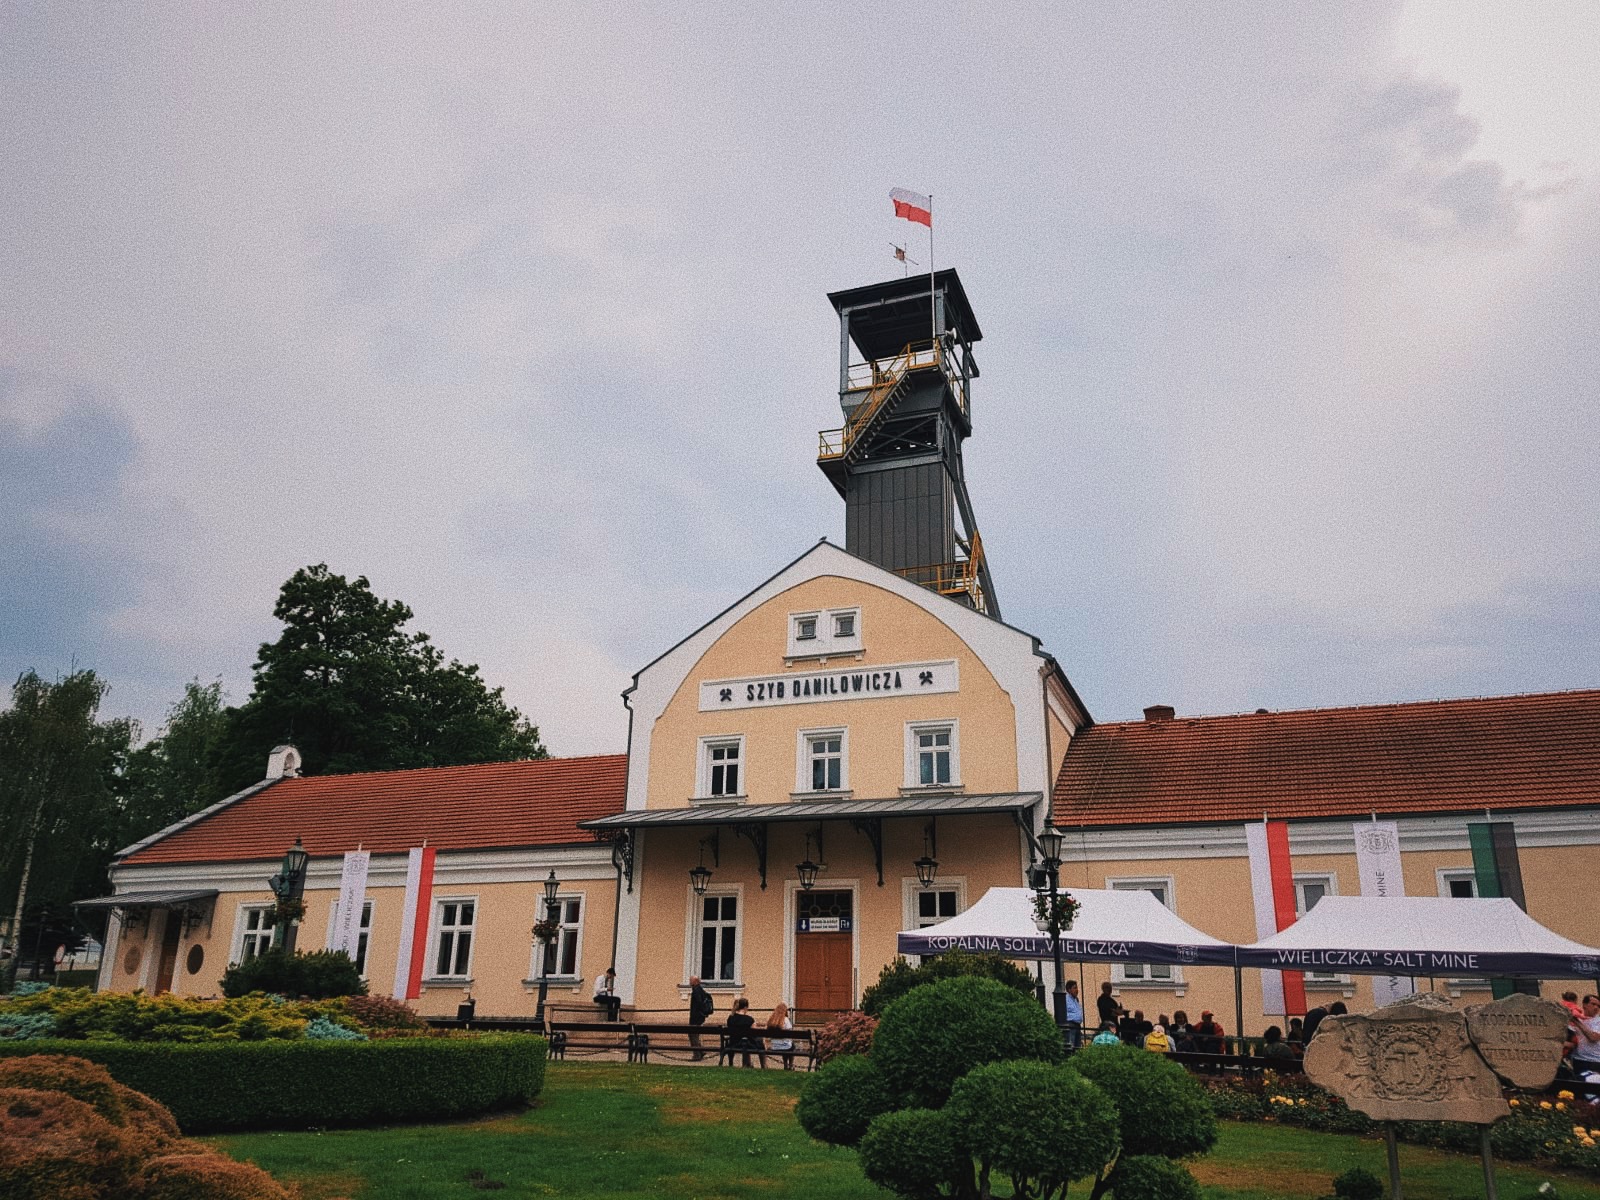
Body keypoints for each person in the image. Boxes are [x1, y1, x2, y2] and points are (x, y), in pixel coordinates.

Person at [725, 997, 765, 1068]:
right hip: (748, 1045)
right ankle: (763, 1065)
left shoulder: (730, 1018)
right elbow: (756, 1033)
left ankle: (734, 1063)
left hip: (733, 1044)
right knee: (758, 1041)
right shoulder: (749, 1019)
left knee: (745, 1039)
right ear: (745, 1007)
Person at [1571, 994, 1600, 1082]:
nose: (1596, 1007)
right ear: (1584, 1005)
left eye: (1598, 1006)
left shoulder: (1598, 1022)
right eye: (1593, 1004)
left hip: (1595, 1061)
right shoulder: (1577, 1018)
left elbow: (1593, 1037)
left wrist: (1576, 1022)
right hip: (1578, 1060)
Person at [688, 975, 714, 1061]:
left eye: (691, 980)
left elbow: (699, 1003)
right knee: (695, 1034)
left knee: (693, 1035)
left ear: (695, 981)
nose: (689, 982)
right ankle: (700, 1051)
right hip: (700, 1016)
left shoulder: (696, 991)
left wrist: (697, 1013)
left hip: (696, 1017)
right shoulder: (700, 990)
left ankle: (697, 1054)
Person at [766, 1001, 796, 1069]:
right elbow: (790, 1033)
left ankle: (785, 1064)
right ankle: (790, 1065)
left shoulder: (771, 1020)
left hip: (774, 1046)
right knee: (791, 1045)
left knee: (786, 1044)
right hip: (786, 1046)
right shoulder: (786, 1020)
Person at [1063, 979, 1084, 1047]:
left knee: (1077, 1047)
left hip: (1077, 1026)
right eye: (1074, 988)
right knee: (1071, 1046)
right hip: (1071, 1025)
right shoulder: (1066, 999)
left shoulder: (1075, 999)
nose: (1077, 990)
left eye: (1077, 988)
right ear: (1069, 990)